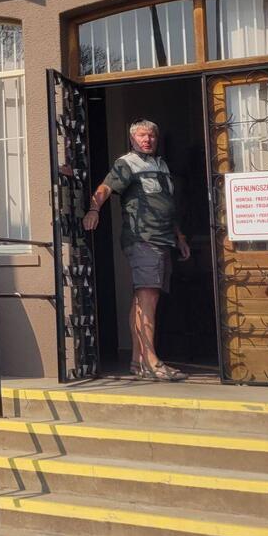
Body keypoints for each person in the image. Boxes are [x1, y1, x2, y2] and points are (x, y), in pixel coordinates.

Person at [82, 119, 191, 381]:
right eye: (142, 135)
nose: (147, 139)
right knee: (148, 300)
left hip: (163, 239)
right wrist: (94, 209)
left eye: (151, 135)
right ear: (132, 139)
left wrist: (180, 237)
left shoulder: (161, 164)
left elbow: (167, 204)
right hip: (143, 239)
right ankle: (152, 362)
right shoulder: (127, 163)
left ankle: (137, 361)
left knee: (141, 299)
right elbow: (105, 187)